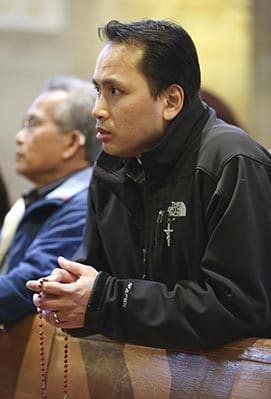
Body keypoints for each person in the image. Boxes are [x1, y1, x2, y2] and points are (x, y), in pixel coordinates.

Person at [27, 19, 271, 349]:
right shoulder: (112, 164)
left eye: (115, 91)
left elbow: (238, 307)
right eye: (98, 90)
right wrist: (69, 295)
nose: (97, 109)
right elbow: (98, 275)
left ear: (170, 100)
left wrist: (104, 300)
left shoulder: (231, 161)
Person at [0, 75, 99, 326]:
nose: (20, 137)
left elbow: (28, 286)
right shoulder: (41, 197)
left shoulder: (84, 204)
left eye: (33, 124)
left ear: (72, 142)